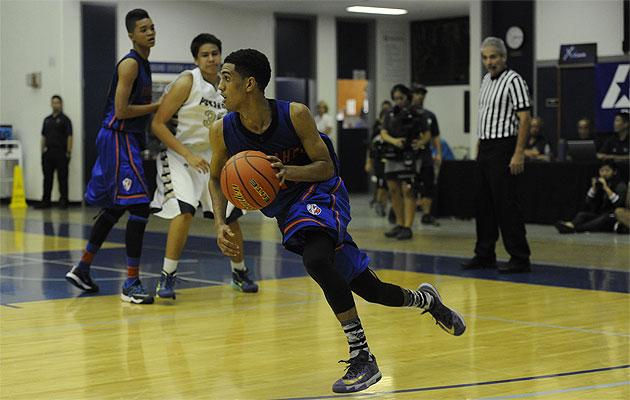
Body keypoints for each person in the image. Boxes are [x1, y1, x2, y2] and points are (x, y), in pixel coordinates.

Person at [208, 48, 465, 394]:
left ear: (250, 84)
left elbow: (326, 167)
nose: (220, 86)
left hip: (320, 193)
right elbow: (215, 178)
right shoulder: (222, 130)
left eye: (226, 79)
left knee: (316, 260)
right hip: (288, 211)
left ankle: (363, 356)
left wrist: (288, 172)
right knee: (371, 290)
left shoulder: (294, 115)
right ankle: (427, 300)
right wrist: (220, 222)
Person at [149, 33, 258, 299]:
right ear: (196, 59)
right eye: (205, 55)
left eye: (215, 54)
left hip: (214, 157)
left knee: (230, 216)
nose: (211, 59)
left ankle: (239, 272)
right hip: (180, 155)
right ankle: (167, 276)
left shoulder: (228, 85)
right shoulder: (187, 81)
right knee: (184, 212)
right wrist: (187, 155)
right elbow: (158, 124)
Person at [65, 9, 160, 304]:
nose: (150, 32)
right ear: (131, 35)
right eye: (143, 29)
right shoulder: (130, 64)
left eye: (152, 27)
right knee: (140, 206)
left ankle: (82, 268)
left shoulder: (144, 63)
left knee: (114, 208)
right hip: (118, 137)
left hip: (124, 138)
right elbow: (121, 111)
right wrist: (158, 105)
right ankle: (131, 283)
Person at [460, 37, 532, 274]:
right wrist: (479, 144)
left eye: (493, 57)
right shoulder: (485, 80)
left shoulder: (514, 80)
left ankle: (519, 257)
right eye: (485, 58)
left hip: (504, 146)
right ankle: (484, 254)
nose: (489, 62)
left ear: (504, 57)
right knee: (482, 203)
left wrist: (519, 152)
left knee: (506, 204)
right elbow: (486, 116)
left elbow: (525, 118)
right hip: (486, 146)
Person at [380, 84, 433, 239]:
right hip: (392, 154)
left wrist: (420, 142)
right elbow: (383, 133)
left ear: (407, 97)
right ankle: (399, 223)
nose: (398, 101)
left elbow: (427, 134)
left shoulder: (418, 113)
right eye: (396, 98)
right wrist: (394, 141)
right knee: (393, 189)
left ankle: (408, 226)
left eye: (401, 98)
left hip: (410, 156)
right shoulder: (390, 114)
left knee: (408, 189)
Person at [555, 159, 628, 233]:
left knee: (604, 218)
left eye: (607, 170)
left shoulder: (620, 185)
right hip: (600, 213)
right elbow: (588, 201)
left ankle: (576, 229)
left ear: (614, 172)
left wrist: (606, 188)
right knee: (582, 215)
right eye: (602, 171)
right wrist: (593, 189)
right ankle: (571, 225)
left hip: (613, 215)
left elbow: (619, 203)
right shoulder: (600, 184)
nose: (604, 173)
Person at [411, 83, 442, 222]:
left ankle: (427, 213)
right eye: (417, 93)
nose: (420, 96)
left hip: (425, 156)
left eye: (422, 94)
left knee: (428, 184)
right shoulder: (406, 115)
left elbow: (436, 136)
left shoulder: (429, 116)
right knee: (409, 186)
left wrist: (439, 154)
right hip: (410, 156)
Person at [36, 95, 72, 209]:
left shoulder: (65, 120)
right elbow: (43, 137)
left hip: (61, 152)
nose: (55, 105)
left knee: (62, 178)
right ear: (51, 104)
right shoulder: (47, 120)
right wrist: (42, 152)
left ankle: (64, 201)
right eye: (53, 103)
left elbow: (69, 136)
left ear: (61, 104)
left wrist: (68, 151)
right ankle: (45, 201)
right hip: (48, 153)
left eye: (57, 102)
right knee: (47, 178)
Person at [364, 109, 389, 216]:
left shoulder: (392, 130)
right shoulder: (376, 132)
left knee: (387, 184)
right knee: (381, 183)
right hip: (379, 160)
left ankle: (383, 204)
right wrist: (368, 162)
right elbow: (370, 148)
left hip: (390, 160)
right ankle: (380, 203)